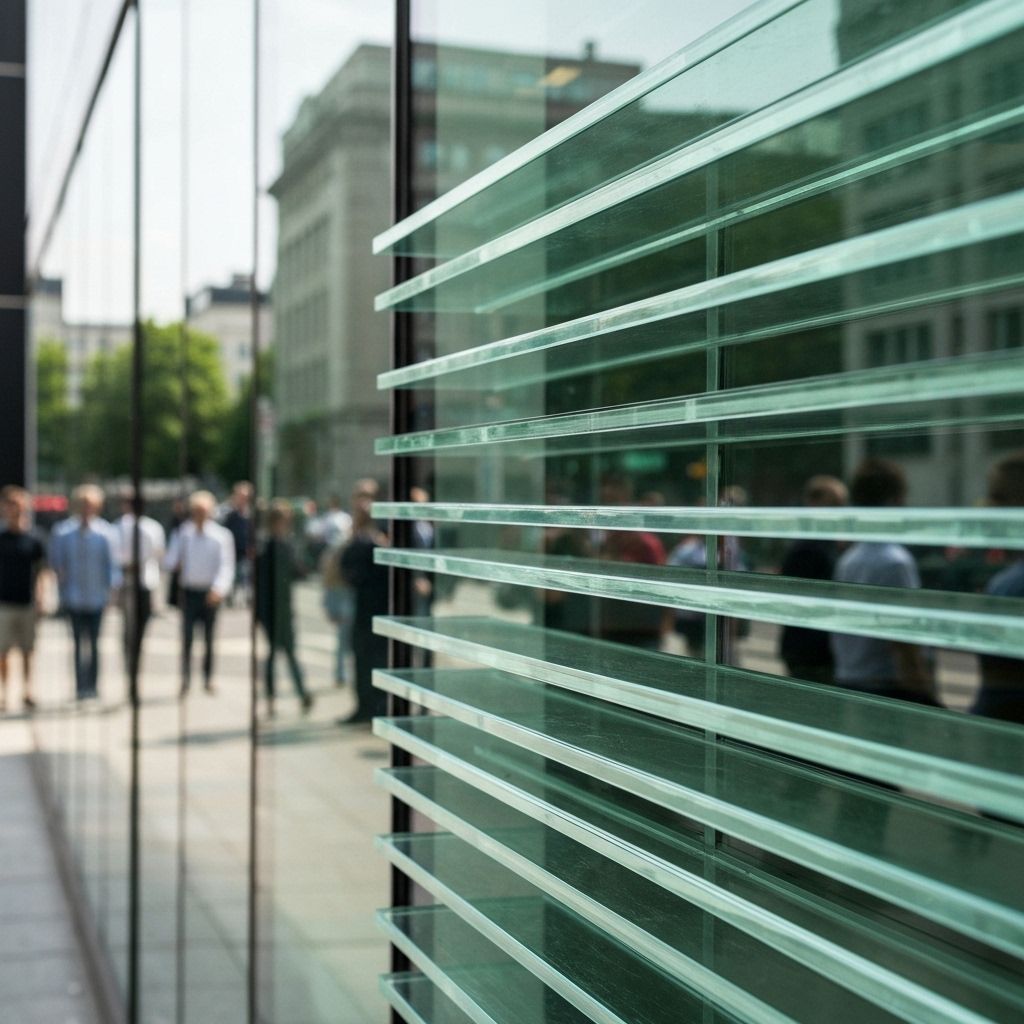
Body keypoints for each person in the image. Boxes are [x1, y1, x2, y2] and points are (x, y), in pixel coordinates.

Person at [830, 459, 939, 705]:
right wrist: (926, 694)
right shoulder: (895, 562)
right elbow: (904, 640)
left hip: (849, 679)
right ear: (895, 500)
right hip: (886, 688)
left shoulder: (848, 560)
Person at [49, 485, 120, 699]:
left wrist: (112, 594)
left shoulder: (106, 532)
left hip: (97, 596)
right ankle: (80, 686)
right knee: (78, 643)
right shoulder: (63, 532)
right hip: (74, 596)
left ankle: (93, 685)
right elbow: (57, 564)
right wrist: (60, 593)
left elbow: (112, 566)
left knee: (95, 643)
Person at [778, 475, 848, 683]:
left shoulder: (825, 545)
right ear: (813, 504)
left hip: (815, 651)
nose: (840, 512)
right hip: (812, 653)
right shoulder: (809, 548)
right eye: (834, 505)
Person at [165, 490, 235, 695]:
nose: (200, 515)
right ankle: (185, 677)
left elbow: (226, 566)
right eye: (196, 511)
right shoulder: (183, 534)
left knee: (209, 639)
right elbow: (170, 560)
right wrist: (175, 563)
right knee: (187, 637)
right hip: (189, 591)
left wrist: (218, 589)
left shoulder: (221, 536)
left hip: (210, 592)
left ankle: (208, 677)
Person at [973, 450, 1024, 723]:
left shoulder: (1009, 586)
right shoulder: (1007, 583)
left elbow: (998, 694)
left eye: (999, 496)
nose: (987, 506)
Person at [338, 480, 388, 724]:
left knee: (377, 657)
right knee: (360, 656)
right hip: (361, 604)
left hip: (379, 603)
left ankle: (378, 705)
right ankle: (364, 705)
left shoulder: (381, 529)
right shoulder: (355, 533)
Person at [257, 501, 313, 716]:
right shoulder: (267, 547)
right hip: (271, 609)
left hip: (284, 608)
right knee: (274, 654)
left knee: (289, 652)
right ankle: (273, 698)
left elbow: (298, 572)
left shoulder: (286, 545)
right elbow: (262, 583)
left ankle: (302, 692)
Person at [0, 486, 48, 711]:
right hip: (4, 603)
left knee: (28, 650)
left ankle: (28, 690)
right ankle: (3, 692)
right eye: (10, 506)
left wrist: (41, 597)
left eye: (18, 507)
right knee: (3, 651)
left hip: (27, 601)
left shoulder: (34, 538)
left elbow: (42, 572)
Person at [113, 496, 166, 677]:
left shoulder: (149, 527)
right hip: (129, 579)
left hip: (142, 579)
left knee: (135, 626)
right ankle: (131, 664)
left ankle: (133, 664)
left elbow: (157, 553)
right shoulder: (121, 526)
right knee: (131, 626)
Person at [221, 481, 253, 607]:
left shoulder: (250, 514)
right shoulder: (228, 513)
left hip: (245, 552)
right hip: (231, 551)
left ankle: (246, 599)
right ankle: (230, 597)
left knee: (245, 576)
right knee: (232, 577)